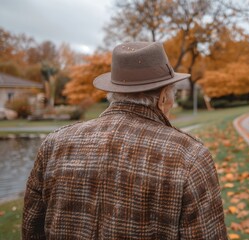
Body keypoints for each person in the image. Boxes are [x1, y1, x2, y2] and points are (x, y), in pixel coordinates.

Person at [22, 42, 227, 239]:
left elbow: (31, 230)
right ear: (163, 97)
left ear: (114, 92)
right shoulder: (190, 155)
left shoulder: (54, 144)